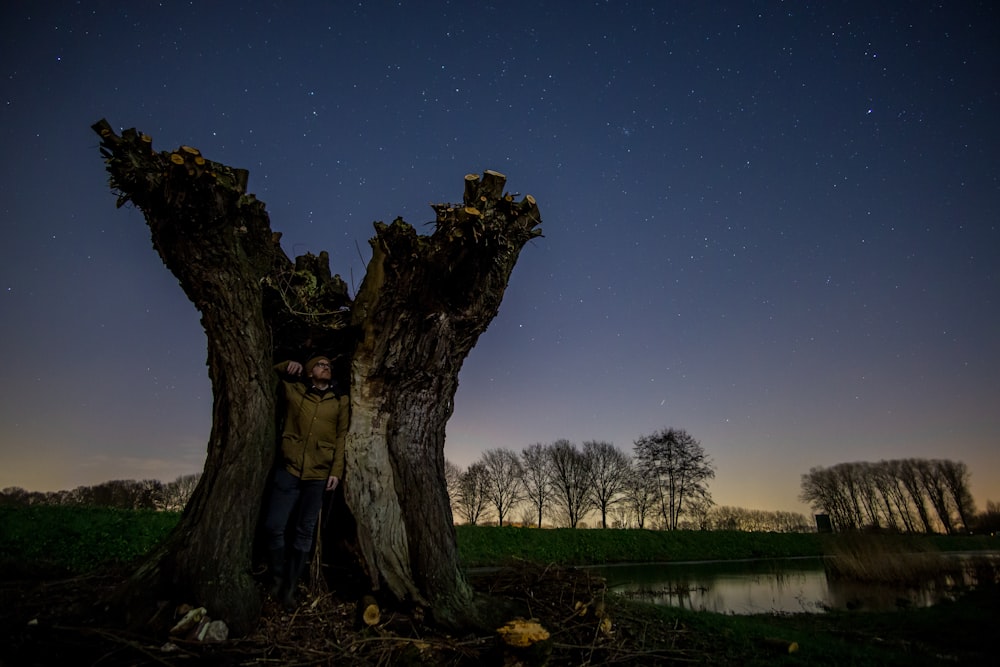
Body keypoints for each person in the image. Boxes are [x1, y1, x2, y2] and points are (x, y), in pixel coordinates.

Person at [263, 354, 348, 608]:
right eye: (321, 365)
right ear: (310, 371)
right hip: (289, 470)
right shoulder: (294, 389)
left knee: (304, 532)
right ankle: (277, 578)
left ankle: (290, 588)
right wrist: (284, 364)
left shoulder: (339, 400)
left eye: (329, 366)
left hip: (319, 474)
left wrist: (337, 470)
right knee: (273, 526)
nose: (326, 368)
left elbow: (342, 436)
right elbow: (268, 374)